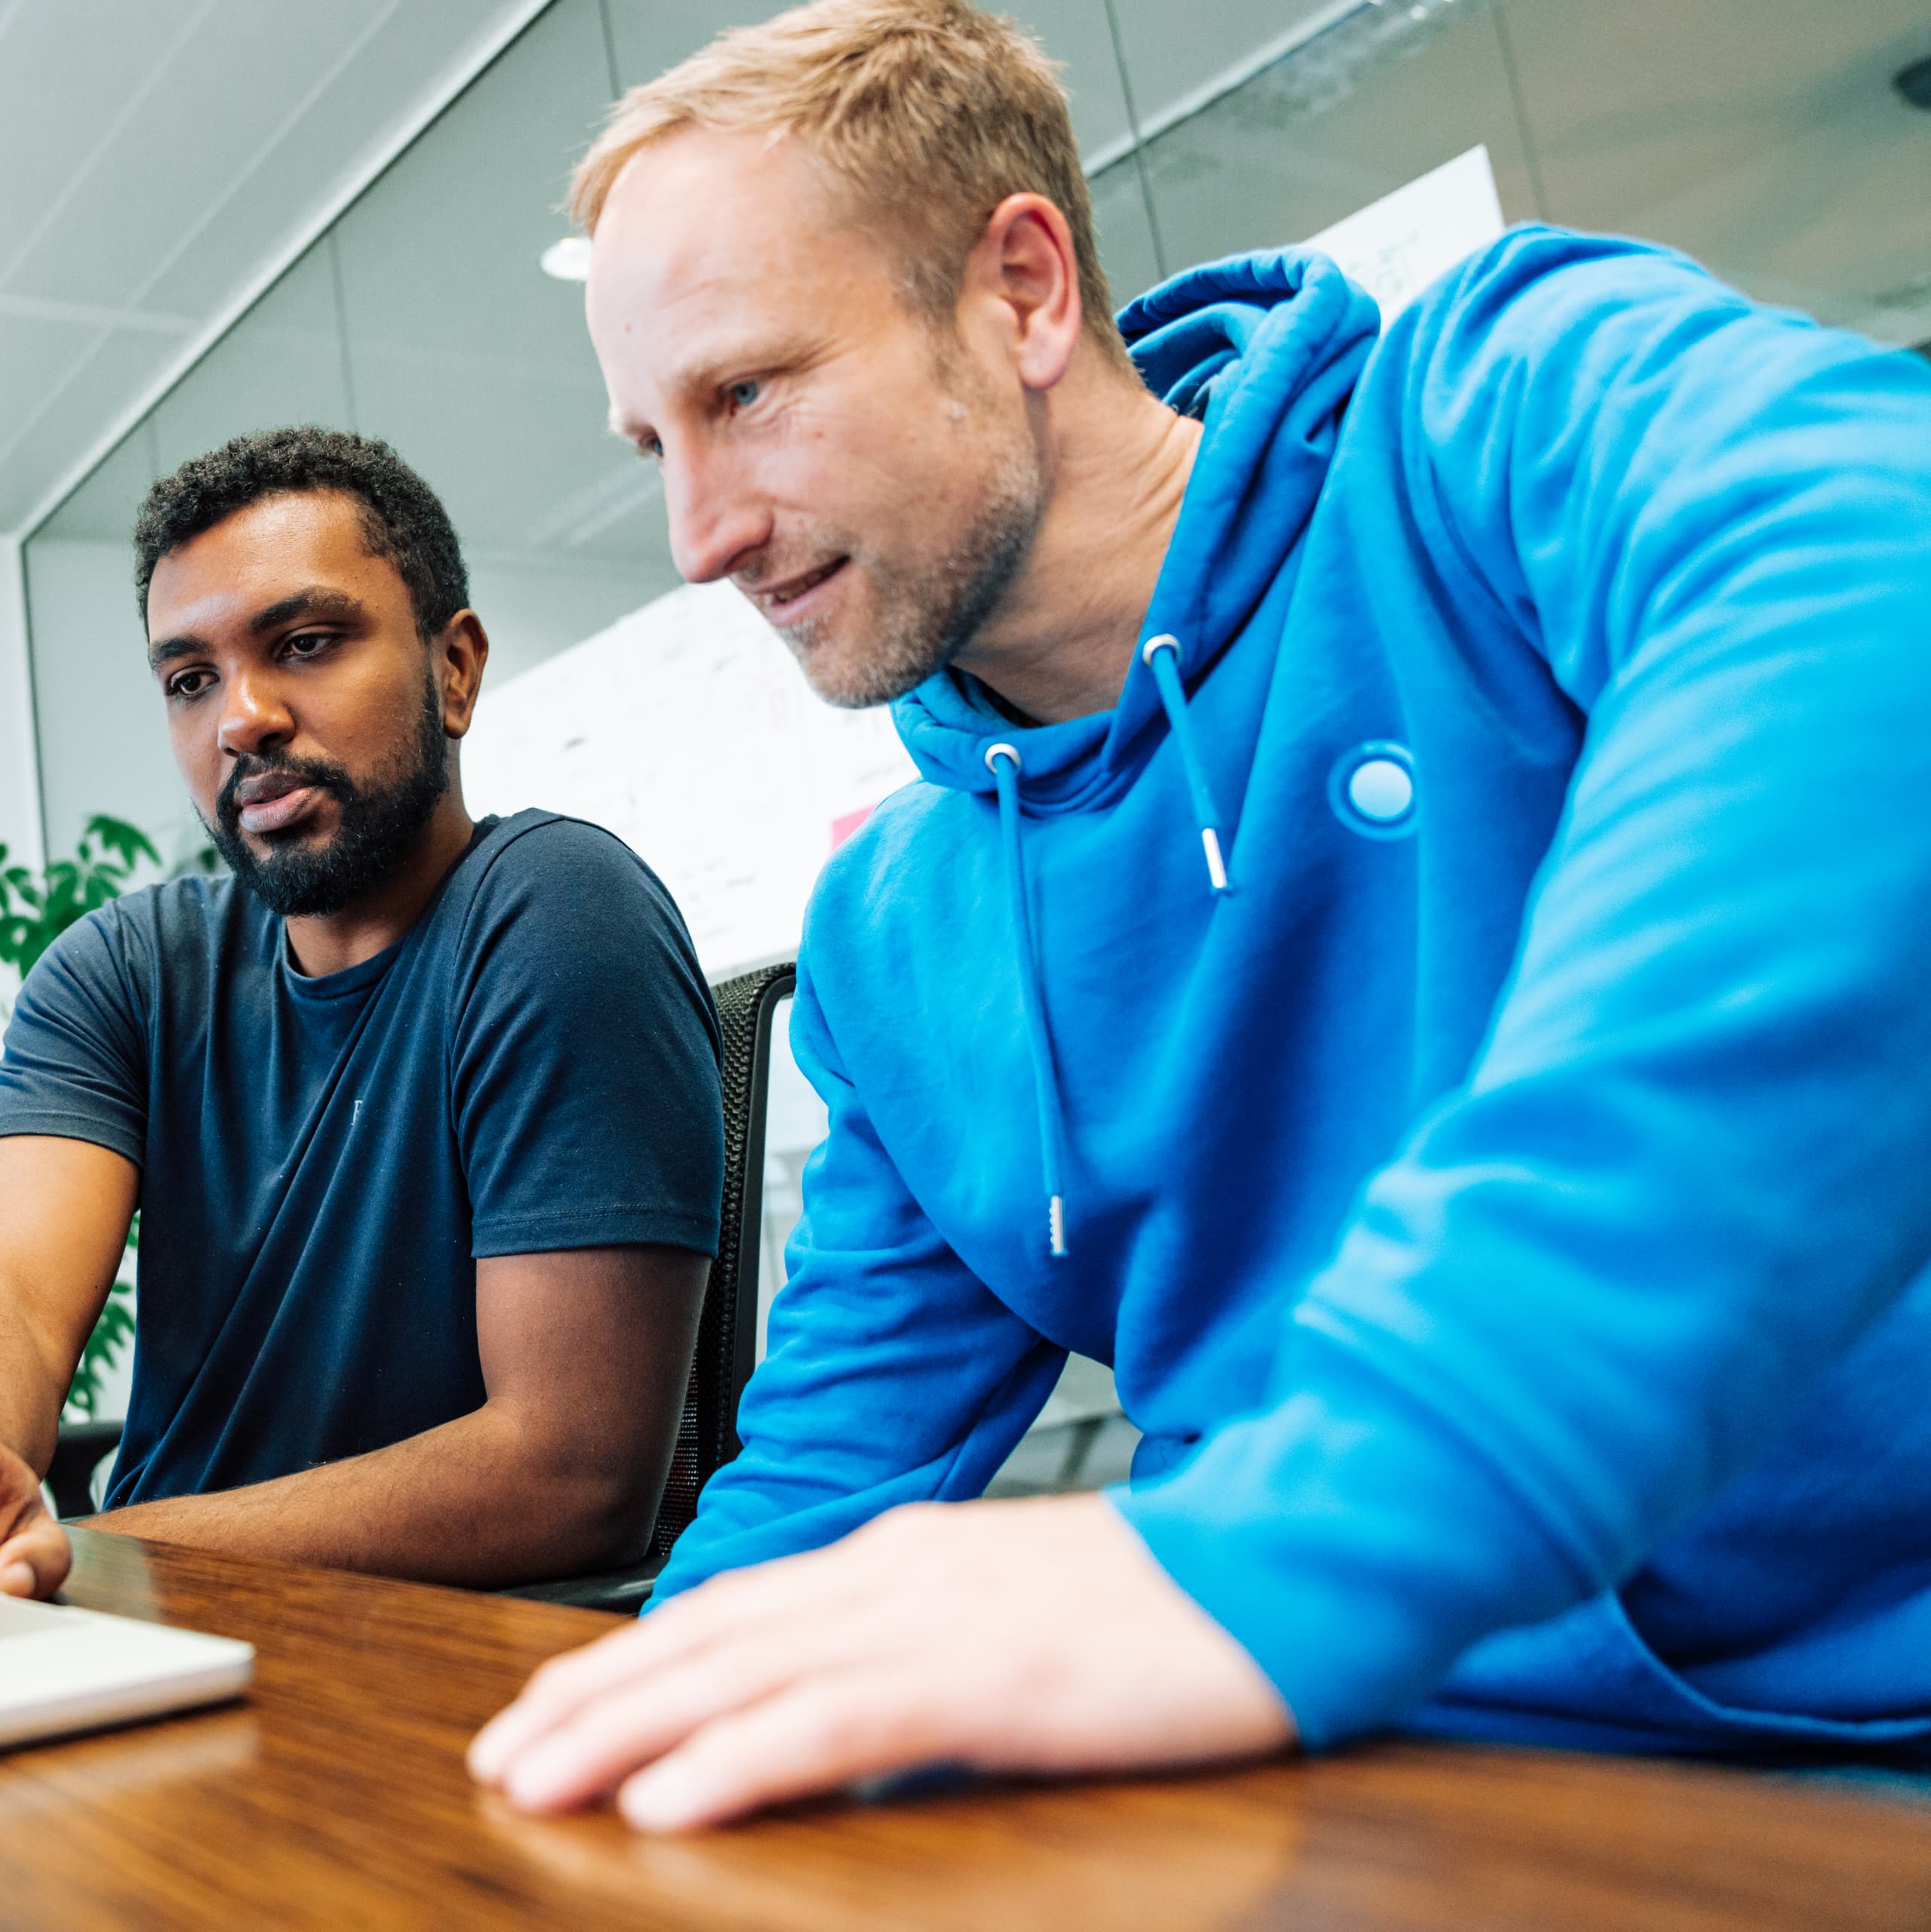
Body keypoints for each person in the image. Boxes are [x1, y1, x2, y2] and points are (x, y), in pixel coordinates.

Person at [467, 0, 1931, 1833]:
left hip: (1842, 1749)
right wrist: (592, 1775)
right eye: (649, 442)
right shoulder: (890, 937)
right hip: (1338, 1795)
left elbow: (1880, 586)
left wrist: (1316, 1534)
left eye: (746, 391)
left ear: (1020, 292)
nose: (695, 533)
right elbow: (829, 1464)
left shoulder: (1488, 407)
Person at [0, 428, 724, 1621]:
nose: (241, 718)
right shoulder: (126, 969)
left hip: (413, 1657)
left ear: (454, 669)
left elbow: (571, 1469)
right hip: (133, 1623)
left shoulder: (555, 909)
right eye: (189, 680)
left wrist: (91, 1552)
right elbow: (3, 1297)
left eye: (304, 644)